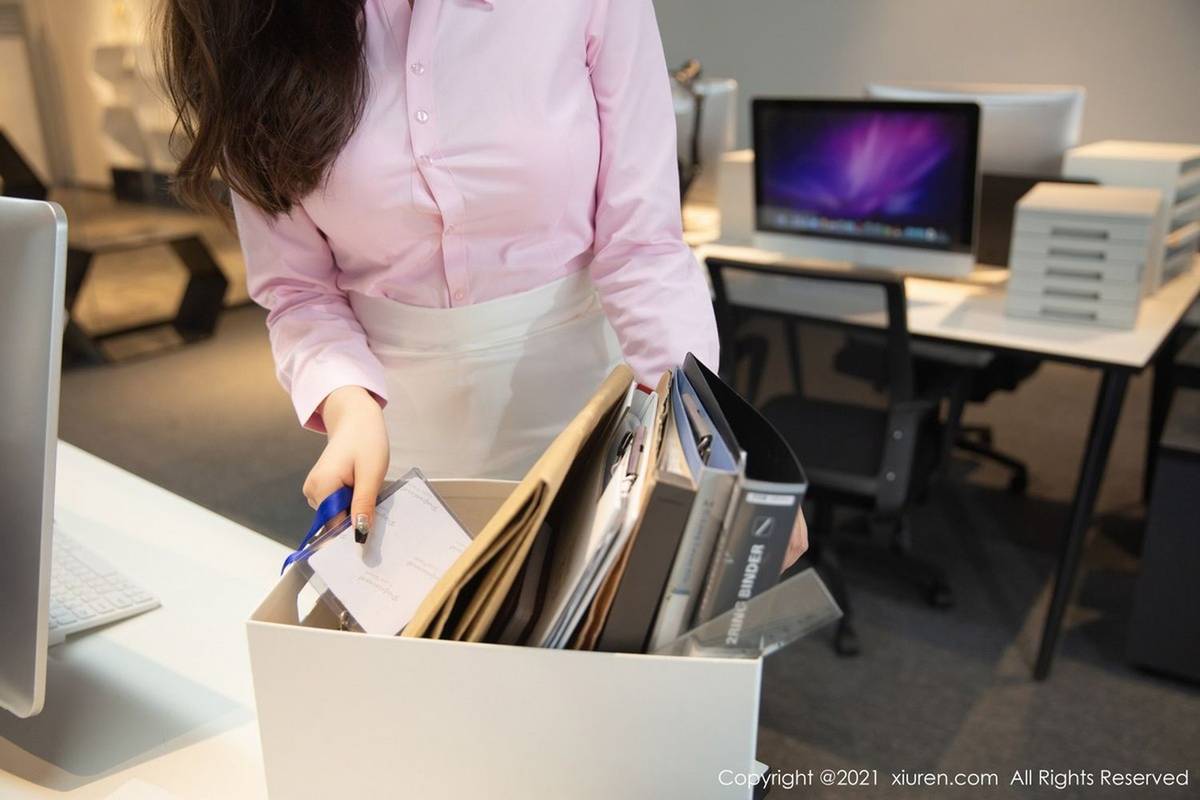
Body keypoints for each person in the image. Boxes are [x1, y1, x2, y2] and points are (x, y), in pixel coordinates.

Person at [160, 0, 806, 566]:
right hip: (394, 428)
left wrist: (705, 436)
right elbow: (299, 291)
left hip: (586, 410)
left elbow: (642, 244)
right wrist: (345, 403)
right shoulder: (255, 26)